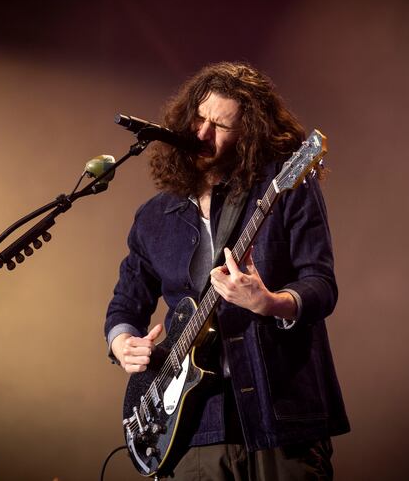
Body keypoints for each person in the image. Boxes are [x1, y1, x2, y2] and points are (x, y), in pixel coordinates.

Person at [104, 62, 349, 480]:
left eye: (220, 125)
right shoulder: (154, 216)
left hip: (279, 418)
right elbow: (126, 304)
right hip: (192, 429)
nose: (202, 134)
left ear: (249, 135)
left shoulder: (284, 188)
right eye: (199, 119)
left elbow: (321, 285)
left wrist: (269, 302)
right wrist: (123, 341)